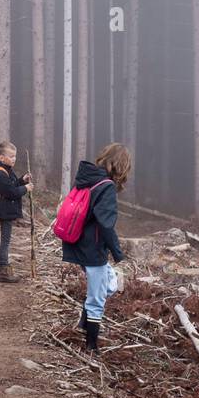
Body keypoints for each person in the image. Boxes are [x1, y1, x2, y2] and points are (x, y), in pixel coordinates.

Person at [61, 143, 131, 352]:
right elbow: (106, 224)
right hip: (92, 249)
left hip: (77, 243)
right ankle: (91, 346)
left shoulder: (88, 178)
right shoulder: (106, 186)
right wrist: (118, 253)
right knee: (97, 298)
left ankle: (84, 323)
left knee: (109, 285)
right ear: (120, 165)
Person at [0, 140, 32, 283]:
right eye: (11, 156)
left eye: (15, 156)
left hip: (7, 210)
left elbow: (13, 185)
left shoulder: (8, 171)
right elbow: (10, 192)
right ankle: (3, 271)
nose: (14, 159)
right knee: (5, 241)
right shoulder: (0, 174)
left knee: (6, 240)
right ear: (2, 158)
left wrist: (22, 180)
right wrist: (25, 189)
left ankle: (5, 268)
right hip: (4, 211)